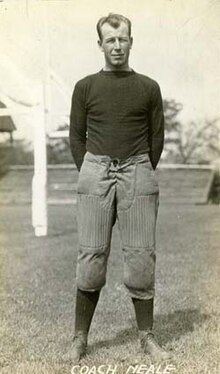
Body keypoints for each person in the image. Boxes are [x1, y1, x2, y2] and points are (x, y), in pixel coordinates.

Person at [67, 13, 172, 363]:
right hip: (95, 171)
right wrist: (92, 171)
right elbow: (75, 137)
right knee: (91, 255)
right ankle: (80, 339)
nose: (116, 45)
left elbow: (157, 138)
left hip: (138, 171)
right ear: (100, 44)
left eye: (122, 39)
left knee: (141, 256)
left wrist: (140, 168)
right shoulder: (85, 86)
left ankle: (147, 338)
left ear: (131, 41)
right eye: (109, 40)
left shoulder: (148, 87)